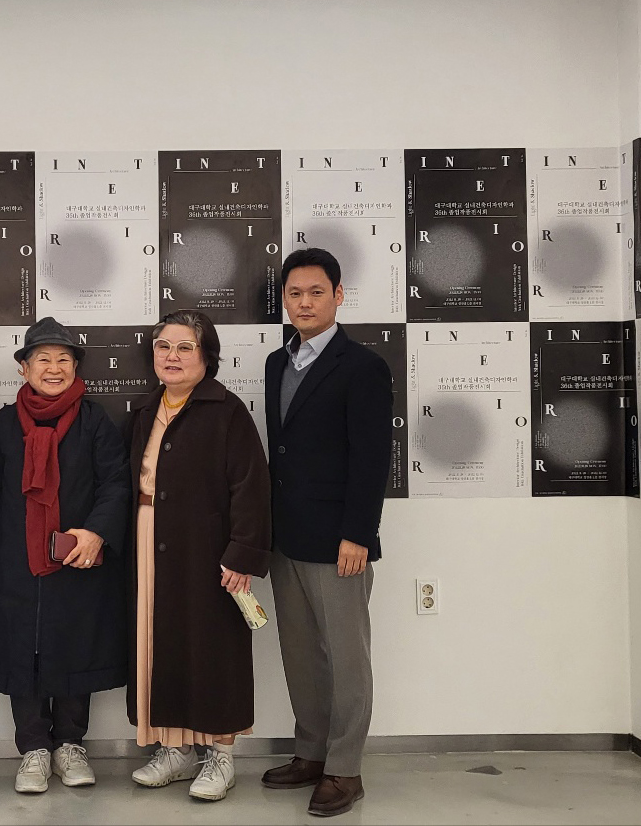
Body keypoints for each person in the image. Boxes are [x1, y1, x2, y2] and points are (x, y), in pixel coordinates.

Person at [0, 317, 130, 795]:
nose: (54, 368)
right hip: (14, 563)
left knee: (75, 642)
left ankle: (71, 744)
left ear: (76, 367)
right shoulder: (4, 425)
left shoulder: (94, 420)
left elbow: (116, 483)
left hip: (79, 559)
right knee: (23, 648)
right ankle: (34, 748)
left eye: (64, 359)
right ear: (24, 368)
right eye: (43, 359)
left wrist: (97, 534)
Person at [260, 248, 393, 817]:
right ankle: (311, 753)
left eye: (317, 292)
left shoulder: (362, 367)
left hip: (340, 540)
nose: (305, 303)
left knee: (346, 658)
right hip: (286, 535)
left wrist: (358, 533)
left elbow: (372, 458)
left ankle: (344, 768)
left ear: (338, 296)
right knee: (299, 654)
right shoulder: (276, 363)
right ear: (284, 301)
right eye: (295, 294)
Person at [124, 309, 272, 802]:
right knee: (159, 642)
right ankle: (175, 750)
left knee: (215, 647)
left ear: (207, 357)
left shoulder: (227, 411)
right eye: (163, 346)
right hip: (149, 540)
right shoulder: (144, 410)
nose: (172, 356)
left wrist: (242, 554)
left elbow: (251, 488)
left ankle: (221, 755)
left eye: (185, 347)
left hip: (209, 548)